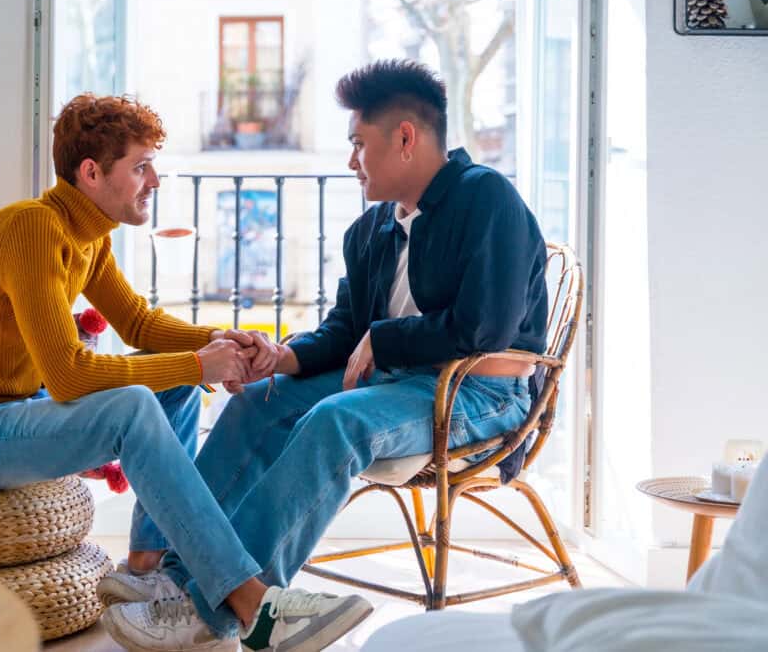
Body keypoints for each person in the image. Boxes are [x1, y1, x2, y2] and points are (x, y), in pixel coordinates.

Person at [101, 59, 549, 649]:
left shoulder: (485, 197)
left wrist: (383, 339)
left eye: (359, 144)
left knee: (334, 421)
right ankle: (183, 577)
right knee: (259, 401)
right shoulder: (370, 231)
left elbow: (485, 329)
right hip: (394, 382)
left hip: (478, 392)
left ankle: (213, 611)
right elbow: (344, 334)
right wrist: (277, 358)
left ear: (406, 139)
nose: (351, 161)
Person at [0, 93, 370, 652]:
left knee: (168, 383)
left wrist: (225, 341)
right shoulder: (31, 229)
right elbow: (69, 374)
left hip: (8, 412)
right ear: (92, 172)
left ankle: (147, 568)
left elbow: (139, 324)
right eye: (141, 167)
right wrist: (201, 363)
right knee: (135, 401)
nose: (154, 181)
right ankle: (254, 606)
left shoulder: (88, 236)